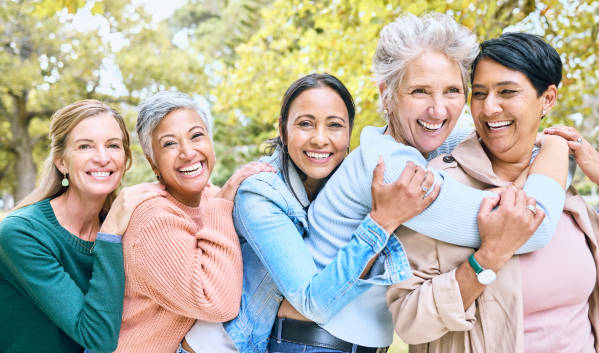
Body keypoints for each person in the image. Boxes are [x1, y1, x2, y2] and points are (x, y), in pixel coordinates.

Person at [288, 13, 571, 352]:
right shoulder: (394, 170)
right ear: (387, 95)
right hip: (313, 342)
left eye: (452, 91)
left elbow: (495, 138)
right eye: (420, 91)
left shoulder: (419, 143)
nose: (438, 110)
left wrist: (537, 135)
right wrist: (557, 145)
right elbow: (529, 226)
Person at [387, 32, 599, 353]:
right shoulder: (436, 187)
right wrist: (487, 259)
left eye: (507, 92)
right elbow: (409, 321)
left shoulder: (561, 181)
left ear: (547, 98)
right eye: (479, 94)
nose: (489, 108)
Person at [188, 73, 440, 353]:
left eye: (334, 125)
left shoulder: (341, 188)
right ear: (283, 131)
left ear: (348, 134)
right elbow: (313, 302)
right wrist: (382, 222)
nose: (320, 139)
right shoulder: (260, 194)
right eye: (305, 124)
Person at [0, 100, 166, 353]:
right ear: (61, 162)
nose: (102, 158)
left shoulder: (125, 226)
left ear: (125, 158)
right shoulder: (22, 233)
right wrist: (109, 236)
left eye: (112, 145)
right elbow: (97, 338)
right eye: (85, 146)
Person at [113, 91, 274, 353]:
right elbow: (218, 305)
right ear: (153, 162)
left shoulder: (211, 196)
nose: (188, 152)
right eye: (169, 144)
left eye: (196, 136)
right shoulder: (153, 218)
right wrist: (223, 204)